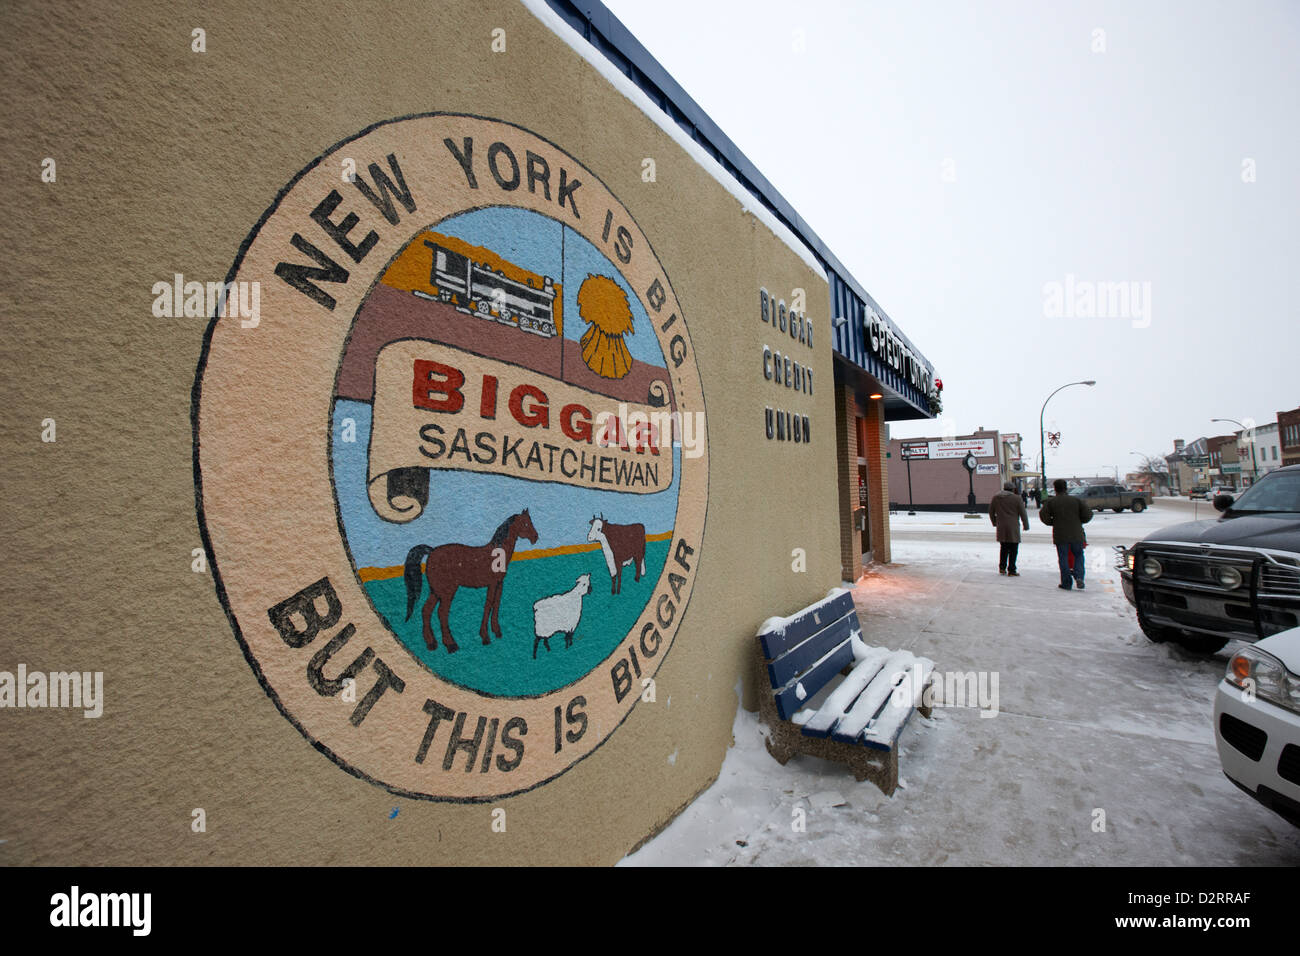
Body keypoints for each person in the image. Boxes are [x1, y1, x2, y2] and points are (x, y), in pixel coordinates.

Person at [1039, 477, 1092, 590]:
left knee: (1063, 558)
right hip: (1077, 533)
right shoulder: (1076, 501)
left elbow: (1044, 516)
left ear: (1055, 489)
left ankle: (1066, 583)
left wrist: (1053, 522)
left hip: (1060, 534)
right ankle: (1079, 577)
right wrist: (1079, 520)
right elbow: (1088, 514)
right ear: (1066, 488)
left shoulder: (1051, 502)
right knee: (1078, 556)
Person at [990, 481, 1030, 575]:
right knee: (1013, 549)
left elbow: (991, 511)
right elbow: (1022, 513)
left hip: (1001, 526)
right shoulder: (1017, 498)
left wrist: (995, 522)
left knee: (1003, 547)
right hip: (1013, 527)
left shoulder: (996, 498)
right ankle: (1012, 569)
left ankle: (1002, 568)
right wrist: (1026, 525)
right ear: (1012, 489)